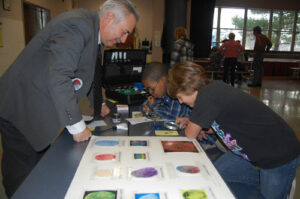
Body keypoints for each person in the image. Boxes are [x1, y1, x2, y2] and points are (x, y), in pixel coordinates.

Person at [0, 0, 139, 197]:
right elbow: (59, 76)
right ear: (109, 18)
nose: (124, 39)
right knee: (21, 174)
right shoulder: (78, 25)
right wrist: (77, 126)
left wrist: (99, 104)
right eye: (124, 31)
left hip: (38, 107)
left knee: (39, 167)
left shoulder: (94, 34)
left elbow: (89, 75)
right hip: (20, 106)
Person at [167, 61, 300, 199]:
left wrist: (194, 126)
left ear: (188, 87)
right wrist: (197, 125)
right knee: (218, 174)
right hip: (251, 152)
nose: (181, 102)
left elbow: (190, 135)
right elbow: (216, 126)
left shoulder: (207, 94)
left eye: (180, 97)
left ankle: (283, 185)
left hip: (277, 154)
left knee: (270, 195)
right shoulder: (210, 92)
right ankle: (270, 182)